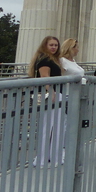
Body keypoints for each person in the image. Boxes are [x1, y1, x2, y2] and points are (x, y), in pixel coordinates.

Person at [29, 36, 64, 166]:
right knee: (47, 127)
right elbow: (45, 77)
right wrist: (52, 91)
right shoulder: (44, 59)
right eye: (51, 45)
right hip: (50, 95)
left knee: (56, 127)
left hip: (55, 94)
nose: (54, 47)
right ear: (45, 46)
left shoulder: (53, 59)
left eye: (56, 45)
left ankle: (54, 156)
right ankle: (42, 158)